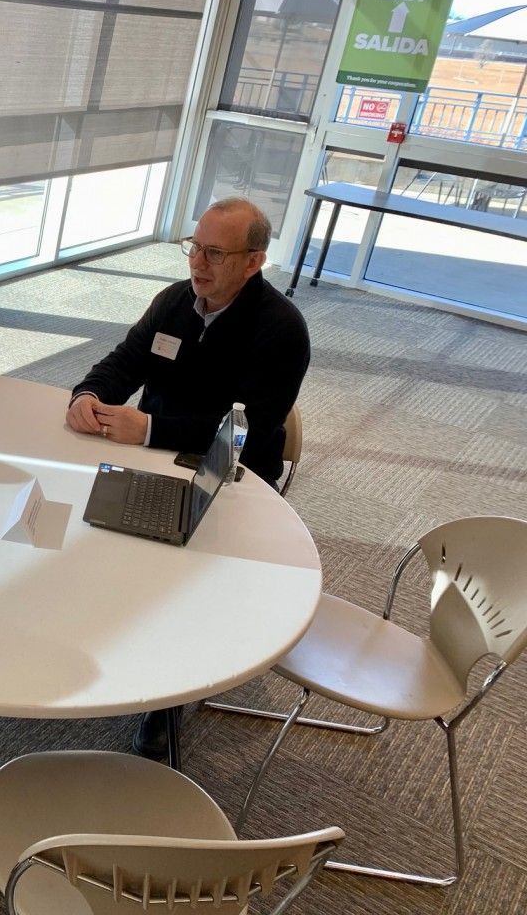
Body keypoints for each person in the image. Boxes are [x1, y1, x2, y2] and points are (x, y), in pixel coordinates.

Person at [65, 196, 310, 761]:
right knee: (87, 512)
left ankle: (165, 700)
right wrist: (89, 394)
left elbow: (244, 431)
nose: (198, 263)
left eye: (215, 253)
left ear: (254, 262)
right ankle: (98, 628)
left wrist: (149, 428)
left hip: (235, 479)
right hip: (153, 454)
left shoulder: (280, 329)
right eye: (194, 247)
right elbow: (126, 360)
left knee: (178, 570)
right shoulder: (176, 301)